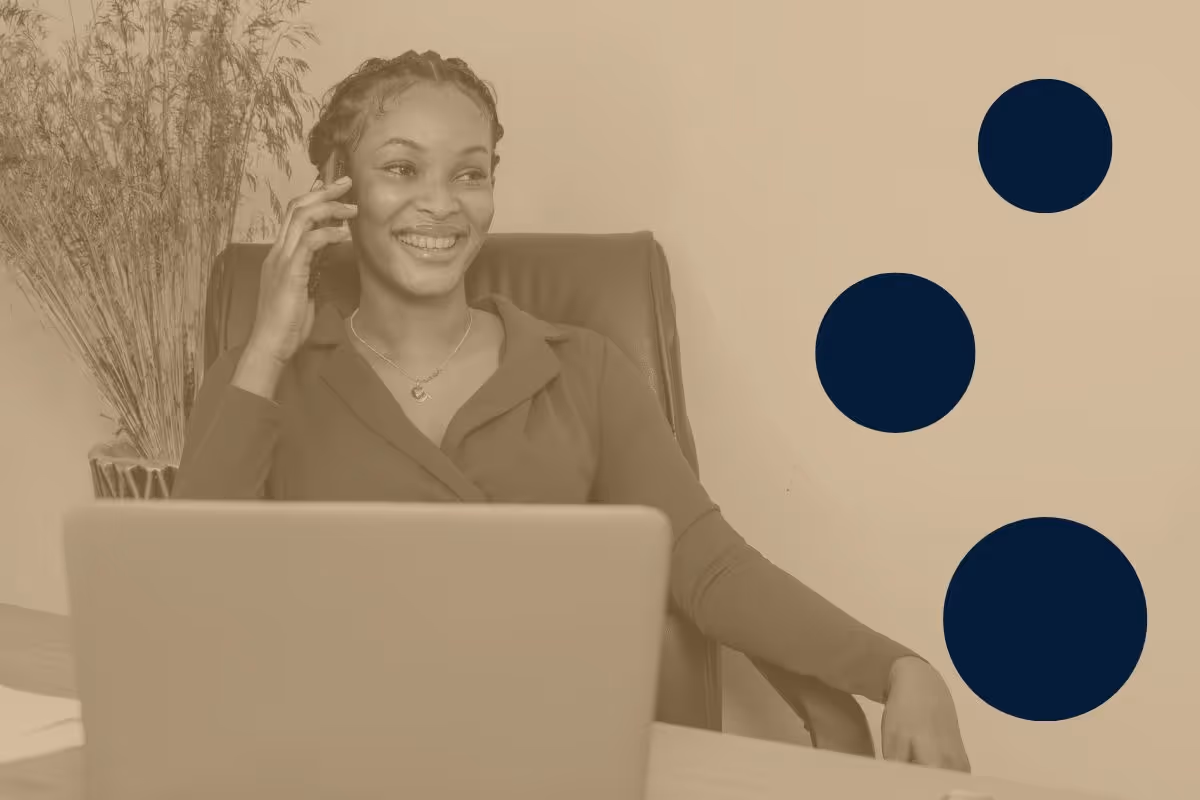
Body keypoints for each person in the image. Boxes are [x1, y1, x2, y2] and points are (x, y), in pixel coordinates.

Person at [173, 50, 971, 772]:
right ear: (336, 189)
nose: (441, 205)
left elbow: (709, 564)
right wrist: (268, 350)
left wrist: (898, 668)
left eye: (470, 173)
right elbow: (184, 604)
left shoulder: (578, 369)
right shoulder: (262, 377)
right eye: (402, 169)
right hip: (331, 763)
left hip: (551, 763)